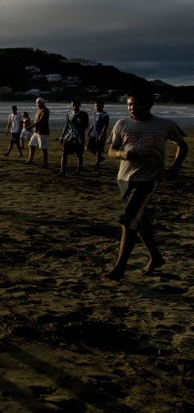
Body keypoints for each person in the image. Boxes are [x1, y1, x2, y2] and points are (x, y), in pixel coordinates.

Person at [104, 88, 187, 280]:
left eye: (136, 104)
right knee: (139, 220)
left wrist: (175, 168)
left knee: (129, 219)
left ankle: (120, 267)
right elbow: (112, 150)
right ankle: (156, 257)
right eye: (129, 104)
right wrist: (123, 154)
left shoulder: (164, 125)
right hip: (124, 178)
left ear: (149, 104)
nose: (132, 108)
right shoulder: (122, 124)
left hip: (149, 179)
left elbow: (182, 145)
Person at [58, 98, 89, 177]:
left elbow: (85, 125)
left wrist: (79, 133)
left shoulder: (83, 114)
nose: (75, 107)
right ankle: (62, 171)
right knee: (64, 153)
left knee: (79, 154)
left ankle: (78, 170)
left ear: (79, 105)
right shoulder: (69, 114)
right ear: (71, 105)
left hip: (79, 137)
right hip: (69, 136)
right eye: (73, 105)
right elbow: (66, 126)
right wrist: (62, 136)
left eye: (76, 105)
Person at [26, 98, 50, 168]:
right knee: (31, 145)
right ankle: (30, 160)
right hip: (36, 132)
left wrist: (30, 126)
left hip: (43, 131)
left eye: (40, 103)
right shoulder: (38, 110)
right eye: (37, 103)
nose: (38, 104)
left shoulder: (45, 110)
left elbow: (41, 121)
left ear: (43, 103)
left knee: (43, 148)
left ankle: (45, 164)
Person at [87, 99, 109, 168]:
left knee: (98, 149)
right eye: (95, 105)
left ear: (102, 106)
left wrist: (102, 134)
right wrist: (89, 130)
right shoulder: (95, 113)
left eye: (97, 105)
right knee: (89, 147)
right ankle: (100, 158)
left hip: (100, 134)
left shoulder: (105, 115)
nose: (96, 107)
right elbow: (93, 122)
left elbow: (105, 126)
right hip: (93, 133)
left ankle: (97, 163)